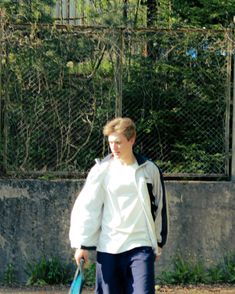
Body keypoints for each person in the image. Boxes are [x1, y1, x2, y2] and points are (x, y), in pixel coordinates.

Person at [69, 117, 168, 294]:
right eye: (111, 142)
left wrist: (159, 243)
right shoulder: (100, 170)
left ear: (132, 140)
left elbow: (159, 207)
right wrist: (81, 245)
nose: (114, 148)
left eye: (118, 142)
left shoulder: (149, 170)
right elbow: (87, 207)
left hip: (140, 246)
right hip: (108, 247)